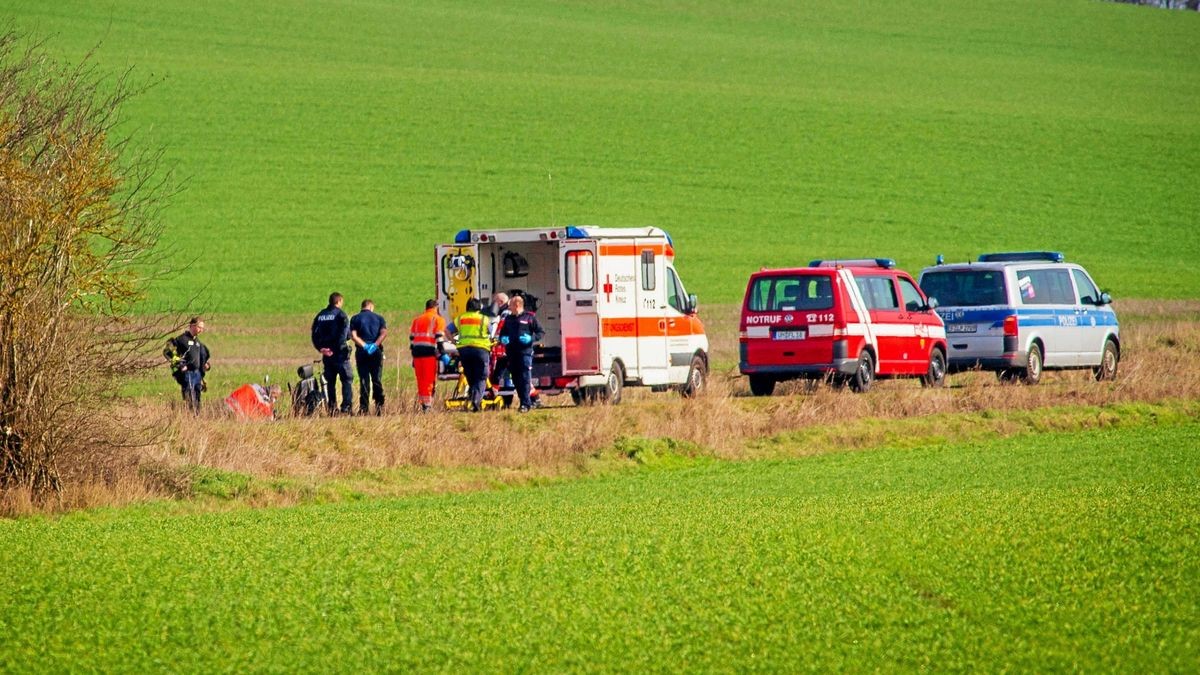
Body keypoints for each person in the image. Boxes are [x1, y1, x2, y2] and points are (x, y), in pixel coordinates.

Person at [497, 295, 543, 412]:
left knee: (525, 378)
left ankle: (526, 404)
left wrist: (531, 338)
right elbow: (502, 334)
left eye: (510, 305)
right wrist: (503, 339)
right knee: (516, 379)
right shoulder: (508, 319)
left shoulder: (529, 318)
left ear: (517, 305)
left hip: (525, 353)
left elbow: (540, 332)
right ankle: (523, 401)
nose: (508, 307)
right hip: (511, 353)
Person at [311, 292, 353, 414]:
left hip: (326, 354)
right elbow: (345, 334)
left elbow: (314, 334)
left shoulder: (320, 315)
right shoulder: (341, 315)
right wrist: (336, 348)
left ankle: (332, 408)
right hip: (340, 354)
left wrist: (321, 349)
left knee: (330, 382)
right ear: (339, 301)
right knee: (347, 379)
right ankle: (346, 408)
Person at [452, 298, 491, 412]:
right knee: (481, 376)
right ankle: (476, 401)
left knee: (470, 374)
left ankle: (473, 396)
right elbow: (490, 332)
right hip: (480, 349)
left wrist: (454, 341)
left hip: (464, 350)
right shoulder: (484, 319)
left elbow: (447, 330)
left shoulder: (460, 319)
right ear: (479, 307)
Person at [350, 298, 388, 416]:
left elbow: (353, 335)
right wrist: (375, 345)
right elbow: (384, 333)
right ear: (371, 307)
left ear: (362, 307)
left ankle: (364, 408)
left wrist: (365, 346)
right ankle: (379, 407)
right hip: (376, 352)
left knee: (364, 380)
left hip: (362, 352)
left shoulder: (355, 318)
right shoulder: (379, 318)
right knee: (377, 379)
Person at [166, 317, 211, 414]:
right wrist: (180, 365)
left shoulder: (198, 343)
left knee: (197, 398)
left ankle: (196, 418)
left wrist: (206, 365)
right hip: (187, 374)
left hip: (197, 375)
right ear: (192, 326)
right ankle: (189, 416)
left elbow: (200, 358)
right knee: (189, 397)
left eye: (202, 328)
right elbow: (168, 351)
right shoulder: (181, 340)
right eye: (199, 327)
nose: (201, 330)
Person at [409, 299, 447, 412]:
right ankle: (428, 406)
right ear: (436, 307)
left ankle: (424, 404)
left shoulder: (417, 320)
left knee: (420, 380)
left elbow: (412, 339)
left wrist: (413, 356)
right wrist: (443, 353)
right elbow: (439, 338)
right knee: (429, 380)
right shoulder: (438, 319)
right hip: (428, 354)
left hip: (416, 354)